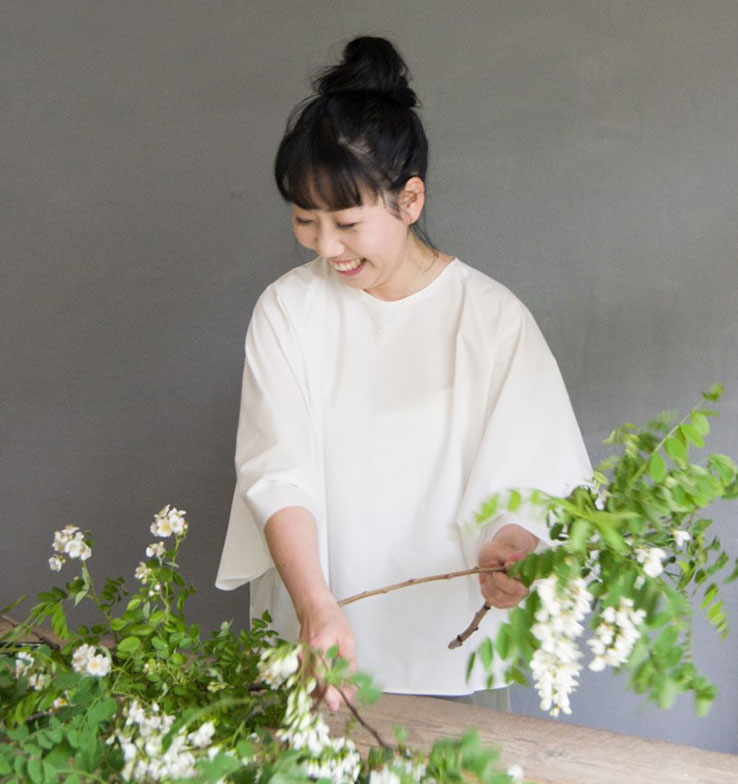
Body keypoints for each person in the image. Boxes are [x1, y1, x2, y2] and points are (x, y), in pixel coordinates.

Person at [215, 36, 591, 710]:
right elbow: (277, 472)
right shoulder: (289, 310)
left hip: (451, 645)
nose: (326, 246)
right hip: (318, 639)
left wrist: (511, 548)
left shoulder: (490, 318)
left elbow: (535, 477)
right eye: (306, 220)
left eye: (347, 222)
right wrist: (316, 606)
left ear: (409, 200)